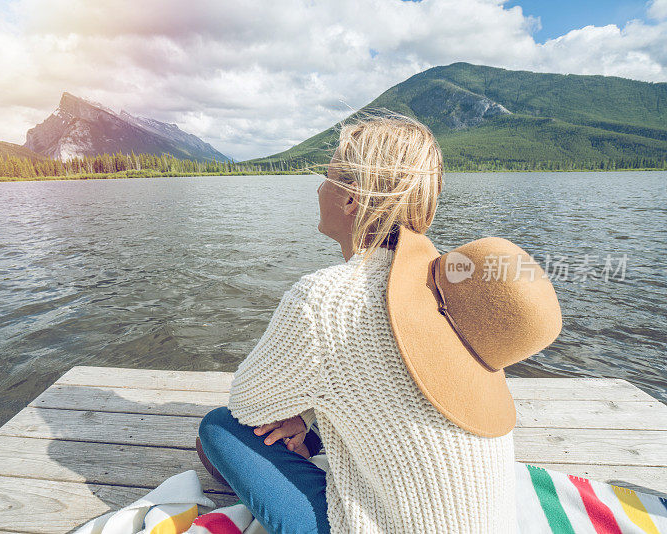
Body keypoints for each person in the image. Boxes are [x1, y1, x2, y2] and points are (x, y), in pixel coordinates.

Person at [197, 113, 560, 533]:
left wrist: (297, 414)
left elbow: (247, 405)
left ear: (351, 199)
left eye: (327, 176)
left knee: (219, 428)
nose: (318, 188)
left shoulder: (325, 299)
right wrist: (306, 417)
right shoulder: (446, 289)